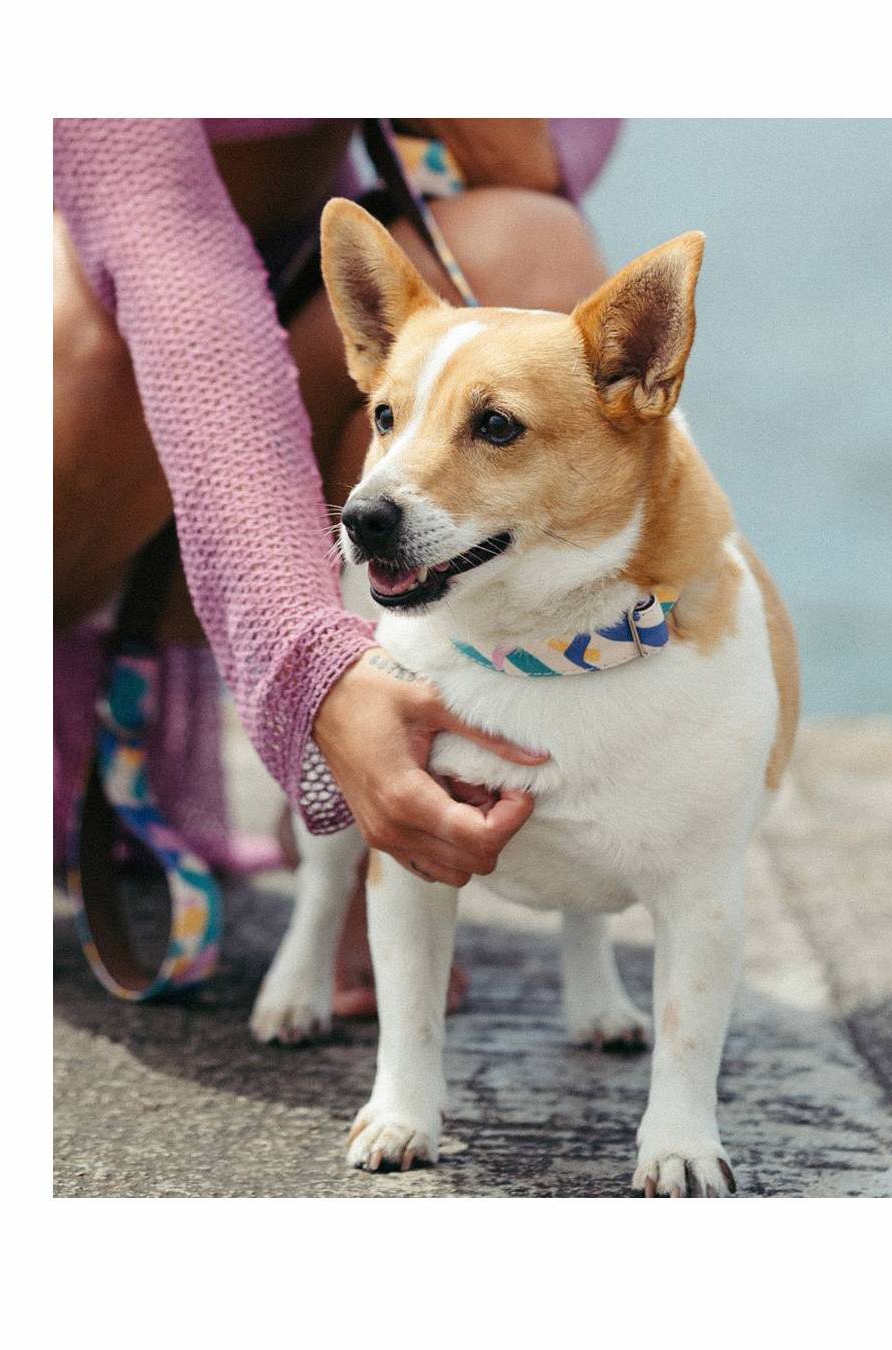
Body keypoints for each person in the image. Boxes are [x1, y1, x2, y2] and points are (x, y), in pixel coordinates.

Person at [54, 118, 620, 1012]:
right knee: (80, 332)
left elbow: (536, 156)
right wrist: (314, 674)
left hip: (285, 305)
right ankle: (347, 749)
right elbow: (181, 295)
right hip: (110, 369)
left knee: (525, 242)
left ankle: (375, 851)